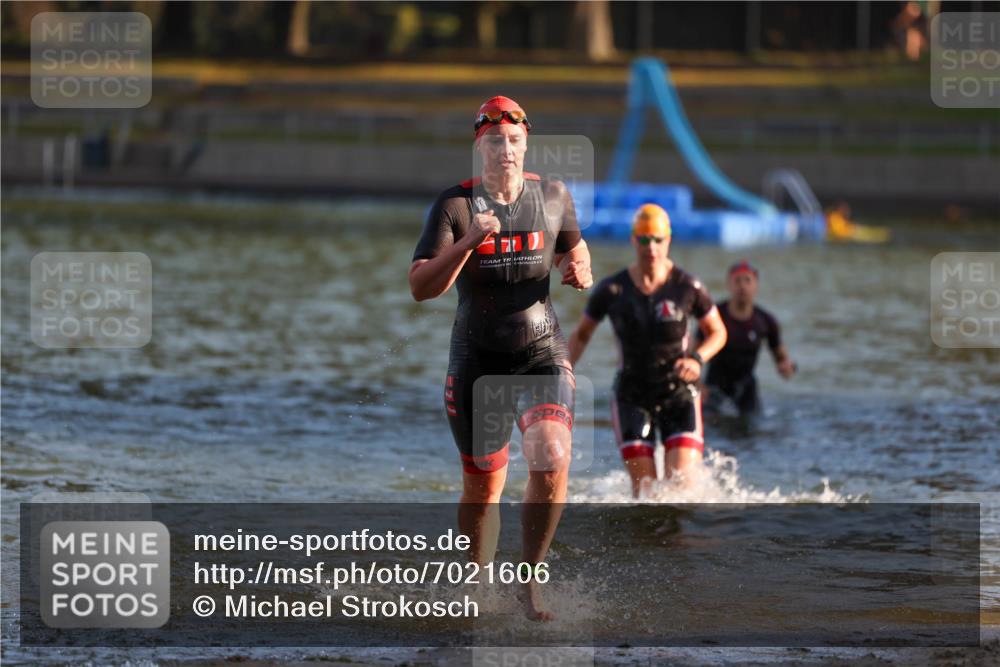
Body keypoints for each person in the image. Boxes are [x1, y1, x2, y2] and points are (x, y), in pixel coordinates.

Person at [408, 95, 593, 620]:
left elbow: (576, 252)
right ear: (479, 146)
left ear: (526, 143)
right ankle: (478, 586)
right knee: (483, 485)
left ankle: (527, 584)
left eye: (514, 142)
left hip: (541, 350)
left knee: (552, 455)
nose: (505, 152)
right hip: (477, 358)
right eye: (494, 142)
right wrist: (467, 241)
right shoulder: (454, 205)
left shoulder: (553, 195)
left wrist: (581, 267)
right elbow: (421, 287)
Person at [568, 204, 726, 497]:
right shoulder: (612, 290)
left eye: (657, 239)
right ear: (633, 240)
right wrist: (560, 377)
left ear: (668, 240)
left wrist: (697, 358)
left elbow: (718, 332)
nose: (650, 247)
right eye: (643, 239)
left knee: (682, 489)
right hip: (631, 395)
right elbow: (580, 335)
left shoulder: (687, 286)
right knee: (646, 494)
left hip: (678, 393)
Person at [700, 261, 795, 417]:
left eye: (747, 280)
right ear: (729, 285)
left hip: (746, 389)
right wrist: (699, 386)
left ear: (756, 285)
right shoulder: (714, 315)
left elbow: (782, 360)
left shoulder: (765, 321)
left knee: (752, 432)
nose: (742, 286)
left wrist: (786, 368)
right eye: (737, 280)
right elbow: (693, 354)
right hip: (714, 389)